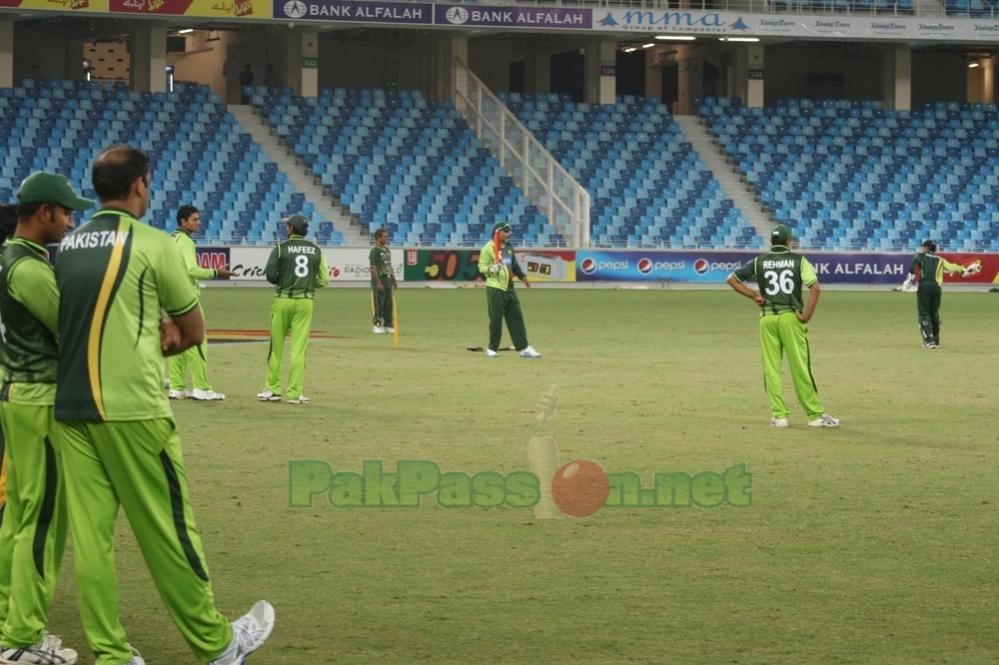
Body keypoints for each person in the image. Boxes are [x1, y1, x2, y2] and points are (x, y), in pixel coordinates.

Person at [53, 145, 274, 665]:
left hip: (70, 407)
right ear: (138, 186)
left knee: (91, 540)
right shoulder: (152, 244)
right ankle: (217, 644)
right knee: (169, 530)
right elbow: (194, 331)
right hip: (133, 408)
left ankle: (110, 653)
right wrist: (165, 334)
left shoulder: (67, 245)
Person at [0, 173, 91, 665]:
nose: (72, 222)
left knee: (19, 517)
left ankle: (6, 626)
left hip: (19, 396)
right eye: (67, 212)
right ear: (43, 213)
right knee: (42, 521)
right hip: (41, 401)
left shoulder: (16, 259)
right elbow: (73, 330)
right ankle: (22, 639)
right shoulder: (30, 270)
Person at [726, 224, 840, 428]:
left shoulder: (759, 261)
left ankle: (779, 416)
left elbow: (732, 280)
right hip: (790, 317)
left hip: (767, 318)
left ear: (771, 242)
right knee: (800, 367)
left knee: (772, 368)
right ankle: (814, 415)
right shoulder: (798, 260)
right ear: (789, 242)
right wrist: (806, 316)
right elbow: (815, 287)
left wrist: (754, 296)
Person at [257, 214, 329, 404]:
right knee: (299, 348)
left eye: (287, 226)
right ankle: (295, 394)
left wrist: (285, 279)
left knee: (276, 347)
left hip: (282, 300)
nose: (285, 228)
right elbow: (324, 280)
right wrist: (306, 283)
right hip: (305, 301)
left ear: (291, 229)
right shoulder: (316, 250)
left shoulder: (280, 248)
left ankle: (272, 390)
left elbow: (271, 276)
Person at [168, 205, 233, 401]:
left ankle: (177, 387)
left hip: (171, 297)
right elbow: (192, 270)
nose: (199, 223)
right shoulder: (186, 242)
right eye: (194, 219)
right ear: (183, 222)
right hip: (187, 298)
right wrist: (216, 272)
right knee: (197, 342)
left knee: (177, 343)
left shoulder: (171, 239)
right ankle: (201, 388)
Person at [476, 221, 541, 359]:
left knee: (517, 318)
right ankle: (492, 348)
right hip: (495, 288)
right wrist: (492, 269)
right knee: (496, 319)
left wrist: (523, 277)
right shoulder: (488, 248)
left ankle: (523, 348)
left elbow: (514, 264)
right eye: (506, 231)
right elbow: (482, 269)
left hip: (509, 288)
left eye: (509, 231)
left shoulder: (508, 247)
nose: (508, 233)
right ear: (497, 233)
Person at [900, 239, 972, 349]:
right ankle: (936, 340)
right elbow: (952, 267)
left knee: (924, 313)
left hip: (925, 286)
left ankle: (929, 341)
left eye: (924, 247)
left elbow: (914, 262)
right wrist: (964, 270)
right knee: (934, 313)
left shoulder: (922, 256)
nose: (922, 249)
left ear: (927, 248)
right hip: (937, 288)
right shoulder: (941, 260)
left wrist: (909, 278)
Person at [369, 228, 396, 334]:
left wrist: (394, 279)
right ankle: (377, 325)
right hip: (380, 279)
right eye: (384, 236)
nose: (386, 238)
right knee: (379, 303)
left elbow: (389, 266)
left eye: (386, 236)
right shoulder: (375, 251)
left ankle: (388, 325)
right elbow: (373, 268)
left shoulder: (387, 250)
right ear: (378, 237)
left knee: (389, 304)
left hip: (388, 279)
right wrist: (378, 282)